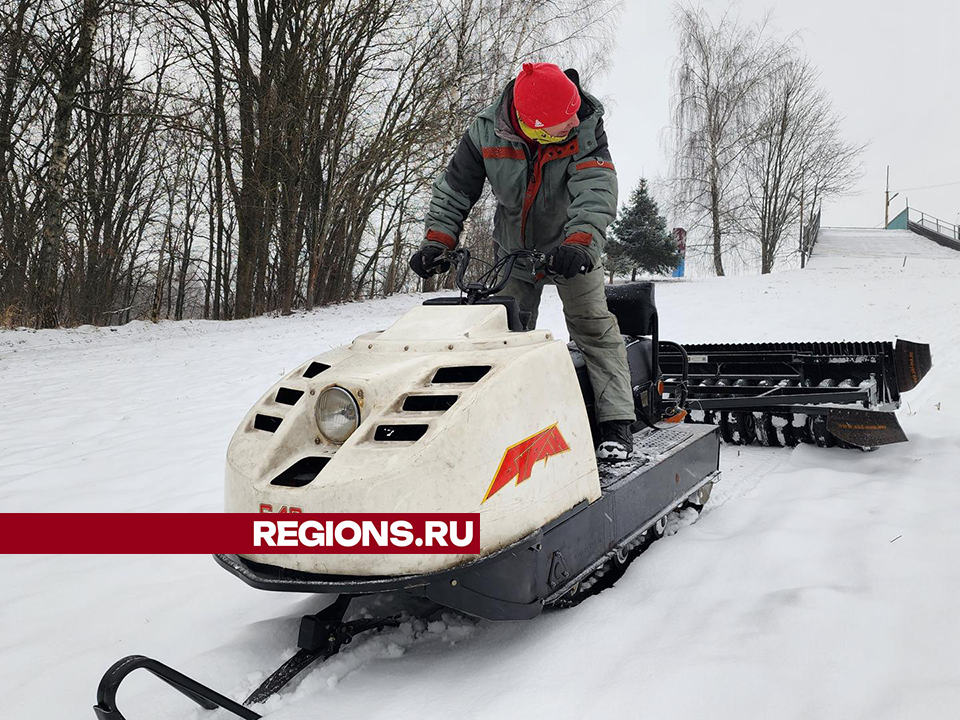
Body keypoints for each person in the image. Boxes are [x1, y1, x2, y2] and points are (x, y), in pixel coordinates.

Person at [410, 62, 636, 461]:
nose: (571, 124)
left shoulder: (584, 125)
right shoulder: (485, 131)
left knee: (592, 327)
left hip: (572, 247)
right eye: (560, 124)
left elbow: (596, 189)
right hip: (513, 250)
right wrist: (437, 240)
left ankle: (615, 423)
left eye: (572, 117)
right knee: (501, 334)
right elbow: (455, 190)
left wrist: (581, 243)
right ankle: (500, 426)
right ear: (532, 125)